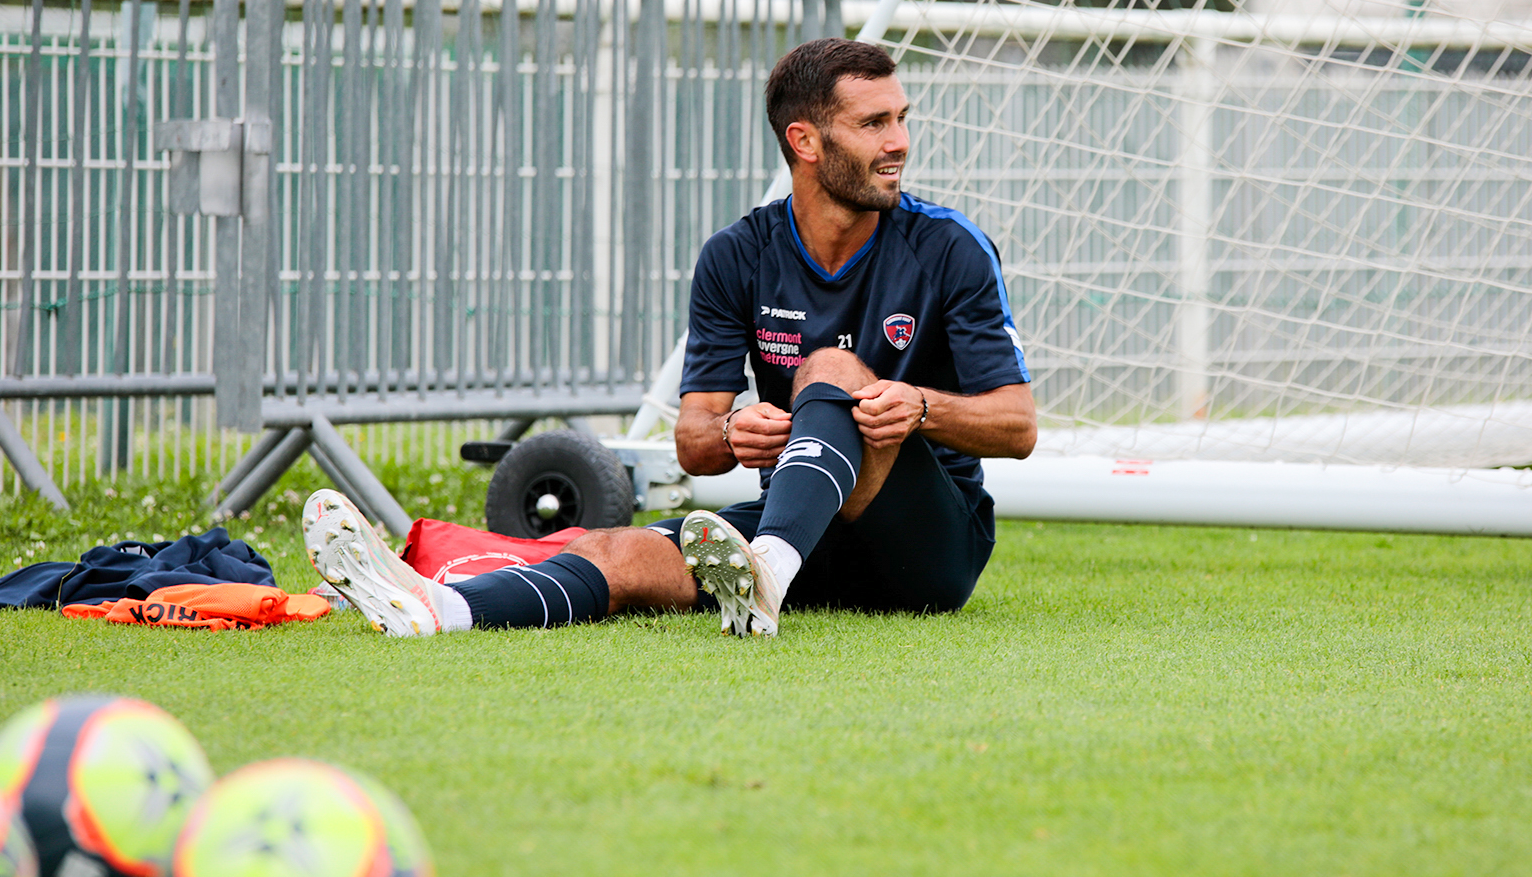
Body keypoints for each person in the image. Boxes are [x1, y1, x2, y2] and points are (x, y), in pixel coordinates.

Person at [303, 37, 1037, 638]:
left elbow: (1018, 425)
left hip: (928, 551)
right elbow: (693, 440)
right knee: (614, 550)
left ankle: (766, 574)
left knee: (831, 368)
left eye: (901, 118)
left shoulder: (950, 247)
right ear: (805, 140)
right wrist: (735, 429)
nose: (900, 142)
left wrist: (919, 408)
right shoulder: (737, 255)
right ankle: (439, 611)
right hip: (805, 522)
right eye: (875, 123)